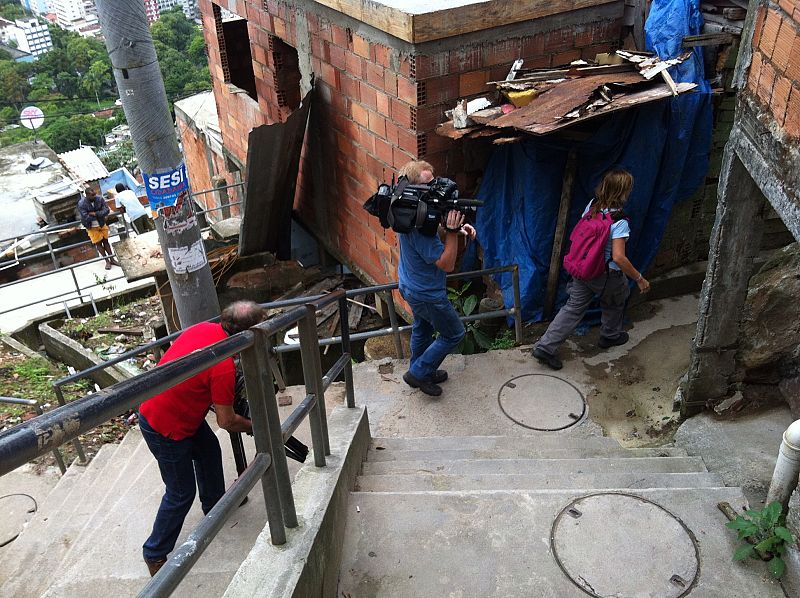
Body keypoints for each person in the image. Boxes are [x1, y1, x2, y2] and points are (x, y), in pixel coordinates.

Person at [137, 301, 264, 576]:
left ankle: (216, 506)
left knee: (208, 450)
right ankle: (155, 552)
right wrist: (256, 426)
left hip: (178, 411)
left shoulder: (203, 329)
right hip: (164, 425)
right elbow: (226, 420)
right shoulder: (223, 367)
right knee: (181, 492)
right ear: (246, 335)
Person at [532, 168, 650, 370]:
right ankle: (609, 336)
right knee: (616, 299)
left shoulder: (592, 206)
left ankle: (545, 346)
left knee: (572, 308)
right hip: (606, 275)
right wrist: (639, 278)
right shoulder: (619, 221)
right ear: (622, 192)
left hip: (583, 269)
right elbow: (619, 257)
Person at [397, 160, 477, 397]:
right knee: (454, 333)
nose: (435, 189)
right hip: (427, 294)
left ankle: (421, 369)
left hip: (410, 285)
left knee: (422, 327)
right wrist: (452, 233)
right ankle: (419, 373)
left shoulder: (409, 213)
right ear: (414, 189)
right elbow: (447, 264)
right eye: (428, 184)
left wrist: (457, 229)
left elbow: (433, 230)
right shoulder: (420, 228)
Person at [77, 187, 119, 270]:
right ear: (87, 195)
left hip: (102, 224)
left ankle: (112, 259)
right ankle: (107, 261)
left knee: (106, 241)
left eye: (95, 194)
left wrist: (95, 214)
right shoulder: (81, 203)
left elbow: (106, 210)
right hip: (91, 227)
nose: (94, 196)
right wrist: (100, 215)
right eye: (92, 195)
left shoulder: (99, 199)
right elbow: (86, 217)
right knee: (98, 244)